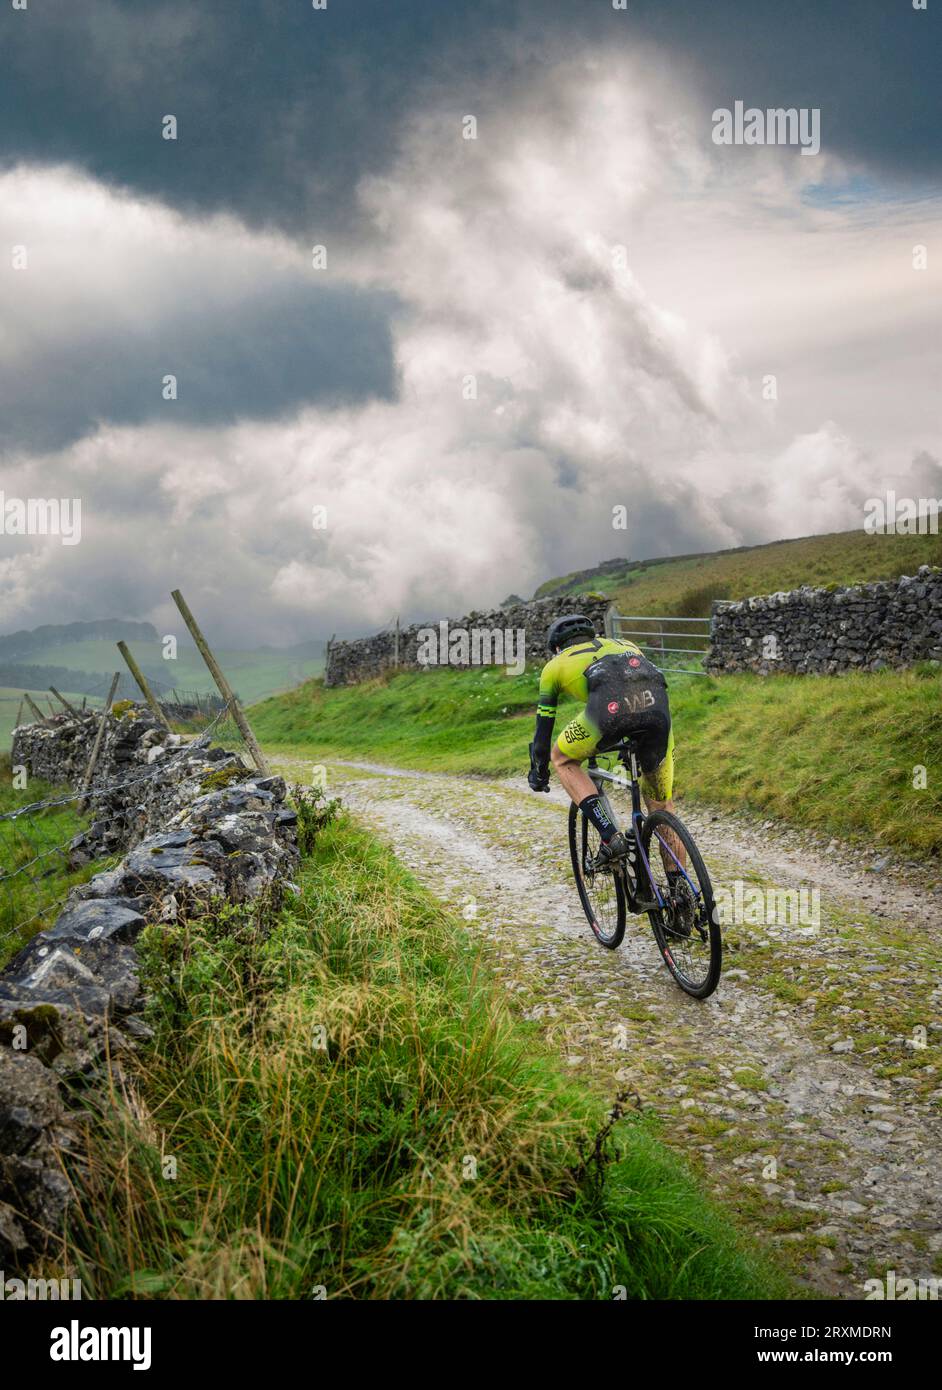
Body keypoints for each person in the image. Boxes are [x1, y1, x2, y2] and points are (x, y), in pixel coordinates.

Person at [527, 613, 683, 874]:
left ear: (556, 647)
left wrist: (539, 771)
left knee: (562, 758)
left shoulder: (554, 666)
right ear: (594, 636)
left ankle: (611, 838)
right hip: (658, 711)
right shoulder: (626, 644)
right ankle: (681, 895)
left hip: (608, 713)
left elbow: (543, 734)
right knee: (662, 806)